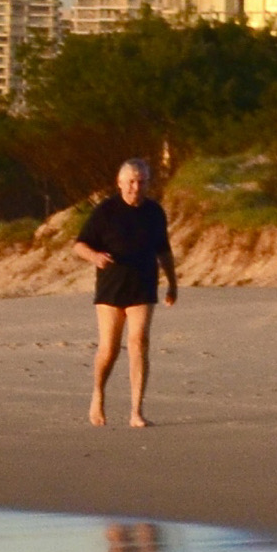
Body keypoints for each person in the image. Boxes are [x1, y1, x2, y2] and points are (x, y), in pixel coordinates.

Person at [76, 159, 177, 428]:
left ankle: (136, 411)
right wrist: (94, 256)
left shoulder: (155, 212)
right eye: (131, 181)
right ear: (120, 183)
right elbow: (80, 245)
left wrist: (173, 284)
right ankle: (98, 394)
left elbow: (163, 250)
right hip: (111, 287)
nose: (136, 187)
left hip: (143, 285)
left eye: (142, 181)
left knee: (138, 342)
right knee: (109, 348)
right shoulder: (106, 211)